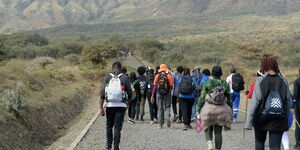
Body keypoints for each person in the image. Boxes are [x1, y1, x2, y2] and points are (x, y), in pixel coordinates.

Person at [245, 57, 290, 150]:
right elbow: (287, 102)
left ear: (264, 66)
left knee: (259, 142)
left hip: (261, 117)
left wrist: (248, 123)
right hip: (279, 118)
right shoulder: (284, 81)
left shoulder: (260, 80)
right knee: (275, 146)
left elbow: (255, 102)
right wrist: (286, 121)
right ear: (275, 66)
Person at [197, 66, 232, 150]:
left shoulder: (207, 83)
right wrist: (231, 109)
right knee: (218, 132)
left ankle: (209, 143)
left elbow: (201, 98)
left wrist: (198, 109)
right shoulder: (225, 84)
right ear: (221, 74)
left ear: (212, 73)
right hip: (221, 111)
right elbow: (229, 99)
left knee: (207, 128)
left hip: (208, 110)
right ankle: (218, 148)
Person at [100, 62, 132, 150]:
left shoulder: (107, 77)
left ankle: (108, 146)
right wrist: (127, 104)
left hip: (109, 105)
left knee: (109, 126)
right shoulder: (125, 77)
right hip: (121, 105)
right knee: (117, 127)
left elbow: (102, 93)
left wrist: (101, 108)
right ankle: (116, 147)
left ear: (112, 68)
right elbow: (129, 93)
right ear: (120, 68)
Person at [151, 64, 173, 129]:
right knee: (167, 106)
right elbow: (171, 86)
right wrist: (169, 92)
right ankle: (167, 118)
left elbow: (155, 87)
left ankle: (160, 124)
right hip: (167, 93)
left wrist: (152, 95)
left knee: (160, 108)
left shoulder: (157, 76)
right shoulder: (169, 76)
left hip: (159, 93)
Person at [294, 69, 300, 150]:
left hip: (299, 106)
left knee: (298, 125)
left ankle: (298, 143)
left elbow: (295, 94)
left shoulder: (297, 82)